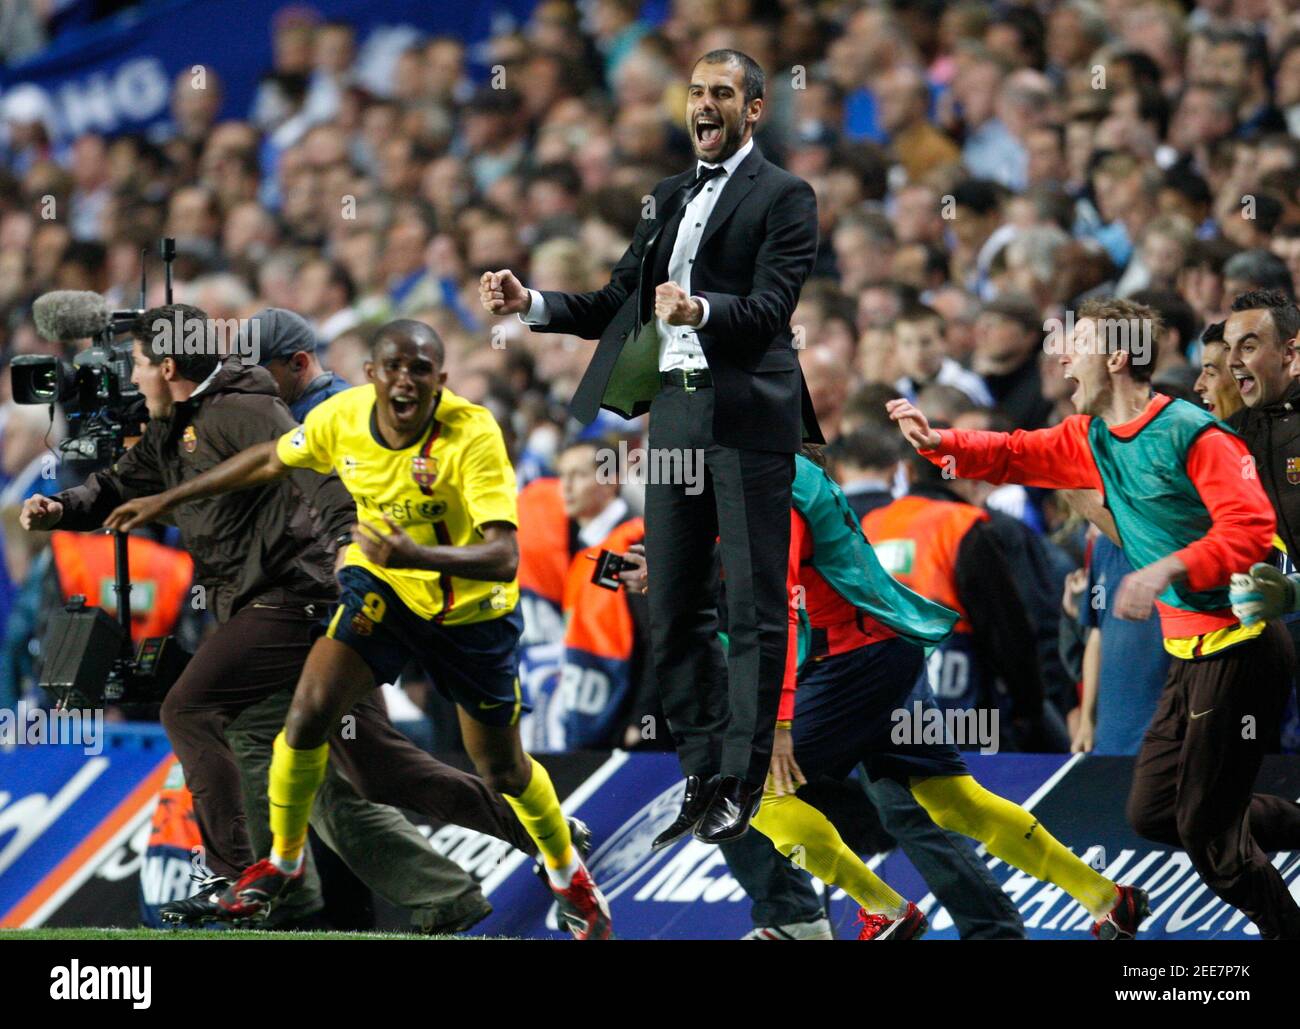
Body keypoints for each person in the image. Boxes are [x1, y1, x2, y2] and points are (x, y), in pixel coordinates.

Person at [21, 305, 535, 933]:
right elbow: (117, 486)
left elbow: (323, 476)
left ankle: (237, 881)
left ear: (171, 367)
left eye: (138, 364)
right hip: (263, 609)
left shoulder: (245, 412)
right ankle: (508, 848)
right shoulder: (175, 426)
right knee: (365, 770)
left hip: (295, 601)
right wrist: (60, 507)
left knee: (190, 710)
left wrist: (349, 544)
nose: (131, 376)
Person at [480, 48, 822, 845]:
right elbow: (612, 302)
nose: (705, 104)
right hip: (673, 416)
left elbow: (772, 308)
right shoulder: (666, 197)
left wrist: (700, 310)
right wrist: (530, 301)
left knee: (750, 600)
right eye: (697, 91)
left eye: (723, 93)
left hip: (748, 415)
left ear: (756, 109)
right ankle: (701, 770)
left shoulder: (786, 195)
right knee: (670, 601)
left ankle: (742, 777)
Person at [890, 296, 1300, 940]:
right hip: (1190, 654)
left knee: (1206, 833)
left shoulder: (1193, 434)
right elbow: (1011, 452)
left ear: (1115, 358)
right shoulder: (1089, 437)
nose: (1061, 357)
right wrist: (940, 442)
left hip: (1243, 646)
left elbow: (1252, 530)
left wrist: (1166, 569)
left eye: (1074, 344)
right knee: (1154, 812)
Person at [630, 448, 1142, 940]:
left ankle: (882, 909)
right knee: (953, 801)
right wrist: (674, 575)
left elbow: (774, 610)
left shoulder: (771, 492)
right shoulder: (790, 478)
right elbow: (754, 560)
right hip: (884, 653)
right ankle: (1106, 897)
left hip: (852, 664)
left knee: (746, 786)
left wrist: (780, 722)